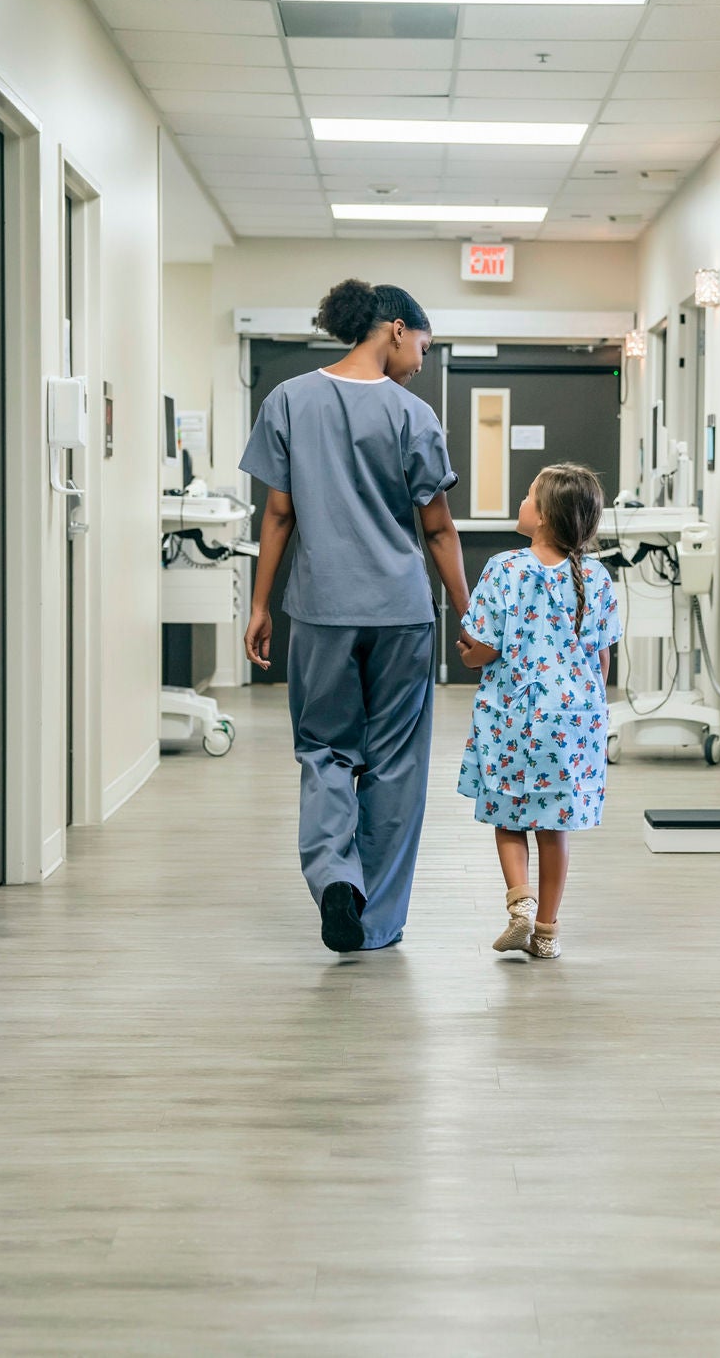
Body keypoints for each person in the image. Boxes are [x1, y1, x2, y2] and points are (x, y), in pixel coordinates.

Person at [241, 279, 471, 954]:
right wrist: (470, 614)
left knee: (324, 750)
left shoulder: (287, 400)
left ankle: (335, 874)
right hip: (401, 614)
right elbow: (438, 530)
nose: (422, 363)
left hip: (320, 611)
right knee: (396, 764)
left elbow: (278, 514)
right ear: (396, 329)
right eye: (422, 347)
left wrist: (259, 605)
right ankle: (375, 923)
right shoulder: (413, 416)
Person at [454, 465, 620, 959]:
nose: (521, 502)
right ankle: (546, 933)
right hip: (571, 721)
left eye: (528, 496)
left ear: (544, 516)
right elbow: (602, 657)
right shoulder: (596, 576)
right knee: (554, 824)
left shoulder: (505, 568)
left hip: (513, 715)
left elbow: (482, 646)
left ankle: (519, 903)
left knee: (509, 816)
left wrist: (466, 656)